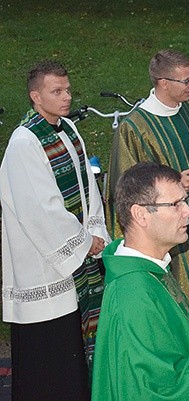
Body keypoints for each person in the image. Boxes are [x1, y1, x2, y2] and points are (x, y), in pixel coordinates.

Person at [106, 49, 189, 378]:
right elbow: (125, 191)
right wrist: (173, 184)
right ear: (162, 82)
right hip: (163, 234)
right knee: (186, 296)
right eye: (185, 80)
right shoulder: (134, 129)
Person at [0, 60, 110, 400]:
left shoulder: (68, 129)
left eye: (68, 90)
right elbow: (39, 209)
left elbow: (86, 187)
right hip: (45, 264)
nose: (66, 97)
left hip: (78, 257)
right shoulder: (24, 143)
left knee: (73, 351)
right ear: (36, 96)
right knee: (48, 357)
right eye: (56, 91)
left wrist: (96, 231)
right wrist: (81, 242)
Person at [92, 162, 189, 400]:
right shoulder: (135, 295)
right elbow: (156, 392)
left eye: (185, 201)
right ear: (141, 214)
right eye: (176, 204)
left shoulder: (149, 269)